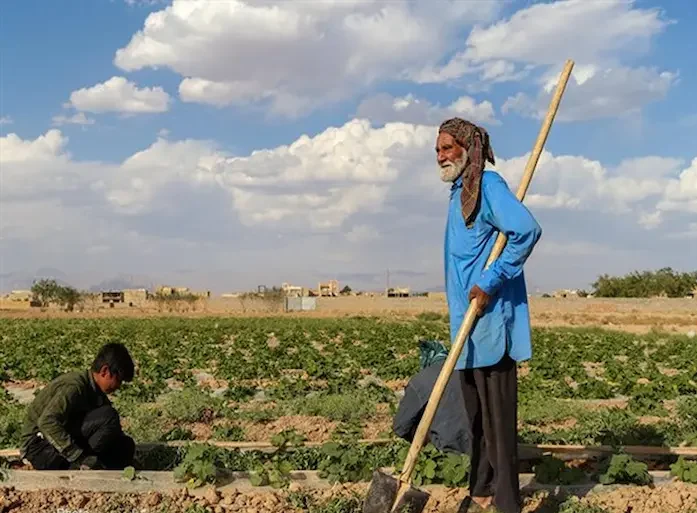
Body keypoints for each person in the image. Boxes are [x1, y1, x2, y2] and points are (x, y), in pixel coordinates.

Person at [436, 118, 542, 513]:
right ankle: (480, 492)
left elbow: (526, 230)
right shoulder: (459, 192)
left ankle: (507, 503)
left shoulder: (490, 187)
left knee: (498, 428)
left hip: (492, 324)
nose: (442, 156)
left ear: (467, 148)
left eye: (448, 147)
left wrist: (492, 278)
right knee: (477, 421)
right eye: (438, 150)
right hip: (467, 331)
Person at [20, 342, 136, 471]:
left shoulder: (95, 393)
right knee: (108, 417)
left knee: (125, 445)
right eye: (118, 380)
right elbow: (47, 422)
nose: (118, 386)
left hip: (57, 448)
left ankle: (97, 470)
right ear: (105, 371)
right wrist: (78, 457)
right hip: (39, 450)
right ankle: (78, 468)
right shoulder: (74, 387)